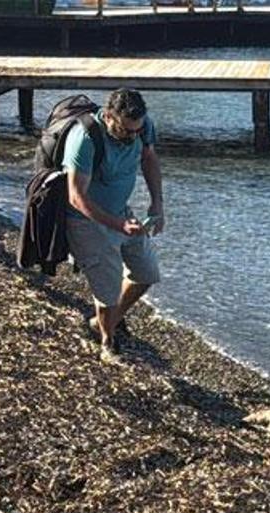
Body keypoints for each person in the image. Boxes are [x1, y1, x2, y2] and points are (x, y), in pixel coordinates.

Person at [63, 88, 165, 364]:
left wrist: (158, 204)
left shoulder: (142, 127)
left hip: (122, 214)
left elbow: (149, 158)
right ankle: (108, 344)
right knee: (106, 289)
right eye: (125, 131)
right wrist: (117, 225)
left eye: (137, 131)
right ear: (108, 117)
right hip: (86, 221)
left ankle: (102, 322)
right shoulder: (84, 137)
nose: (133, 137)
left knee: (146, 272)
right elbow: (76, 197)